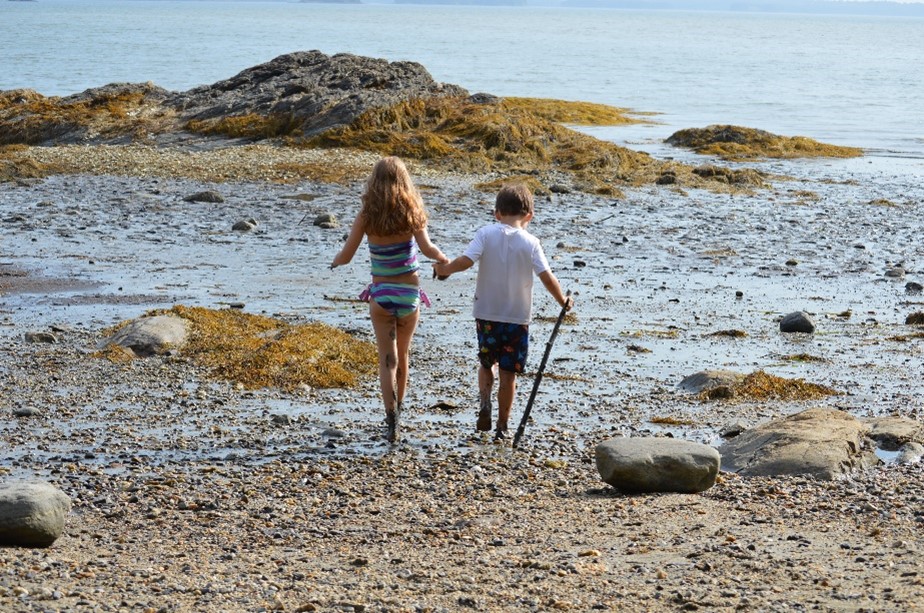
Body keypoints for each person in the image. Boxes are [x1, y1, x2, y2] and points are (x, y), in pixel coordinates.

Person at [433, 183, 573, 440]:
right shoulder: (531, 242)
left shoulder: (486, 233)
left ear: (497, 213)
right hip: (517, 319)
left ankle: (485, 402)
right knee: (508, 374)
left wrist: (444, 270)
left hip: (486, 314)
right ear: (529, 215)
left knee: (487, 363)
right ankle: (502, 425)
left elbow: (466, 261)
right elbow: (546, 276)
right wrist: (562, 299)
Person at [331, 156, 449, 443]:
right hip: (409, 294)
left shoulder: (367, 216)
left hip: (381, 295)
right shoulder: (412, 211)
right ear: (404, 182)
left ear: (374, 182)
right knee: (404, 356)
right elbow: (428, 247)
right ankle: (401, 410)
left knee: (387, 359)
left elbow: (346, 255)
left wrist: (333, 263)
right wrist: (444, 259)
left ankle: (390, 419)